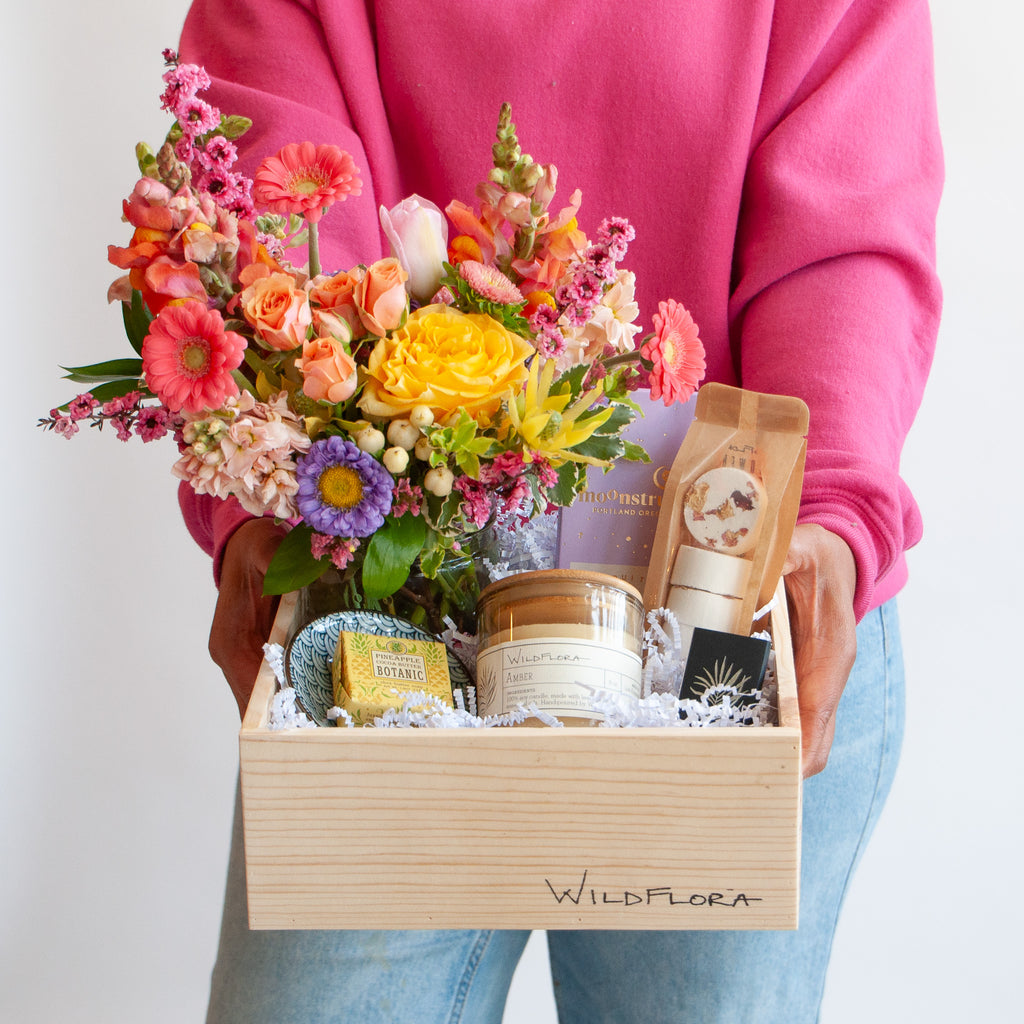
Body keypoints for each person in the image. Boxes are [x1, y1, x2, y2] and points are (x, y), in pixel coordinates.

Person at [177, 1, 942, 1020]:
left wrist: (831, 513)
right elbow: (272, 187)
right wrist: (265, 504)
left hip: (727, 607)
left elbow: (844, 233)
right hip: (391, 592)